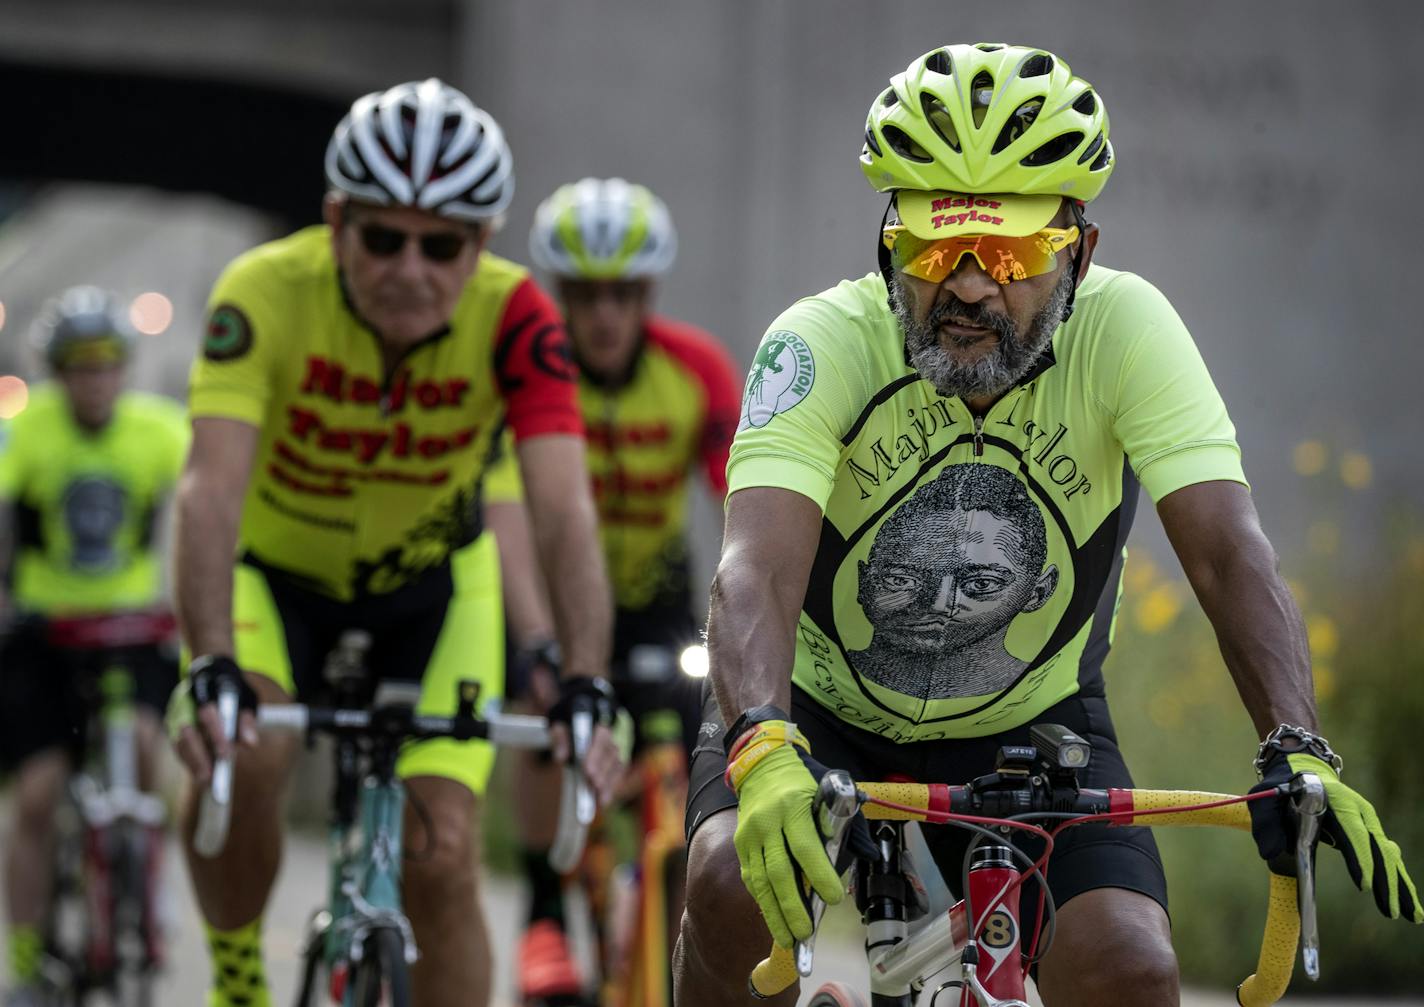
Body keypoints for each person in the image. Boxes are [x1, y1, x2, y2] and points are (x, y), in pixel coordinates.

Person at [673, 42, 1421, 1007]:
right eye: (936, 251)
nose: (972, 287)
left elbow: (1230, 554)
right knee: (730, 881)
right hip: (812, 718)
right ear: (887, 247)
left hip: (1033, 725)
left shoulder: (1129, 331)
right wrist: (764, 748)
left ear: (1082, 254)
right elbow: (753, 572)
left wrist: (1298, 747)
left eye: (1016, 255)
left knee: (1131, 967)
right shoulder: (819, 343)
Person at [163, 78, 621, 1007]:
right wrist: (209, 656)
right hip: (274, 580)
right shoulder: (262, 292)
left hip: (433, 589)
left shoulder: (519, 317)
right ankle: (240, 975)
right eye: (382, 237)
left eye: (442, 244)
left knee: (444, 854)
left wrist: (584, 677)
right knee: (244, 754)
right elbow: (209, 489)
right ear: (336, 223)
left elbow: (563, 507)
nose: (410, 267)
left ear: (480, 245)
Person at [492, 177, 740, 1003]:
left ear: (649, 293)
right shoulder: (526, 369)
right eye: (585, 294)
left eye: (624, 294)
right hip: (552, 599)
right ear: (560, 292)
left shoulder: (694, 368)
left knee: (690, 730)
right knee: (536, 715)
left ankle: (674, 915)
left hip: (657, 599)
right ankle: (542, 913)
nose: (603, 315)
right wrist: (537, 640)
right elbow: (508, 516)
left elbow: (742, 499)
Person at [0, 287, 188, 1006]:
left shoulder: (157, 427)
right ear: (56, 372)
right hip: (45, 633)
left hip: (133, 627)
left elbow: (213, 493)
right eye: (79, 366)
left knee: (146, 747)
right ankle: (26, 954)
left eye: (107, 364)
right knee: (39, 796)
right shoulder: (26, 428)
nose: (95, 379)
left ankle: (148, 886)